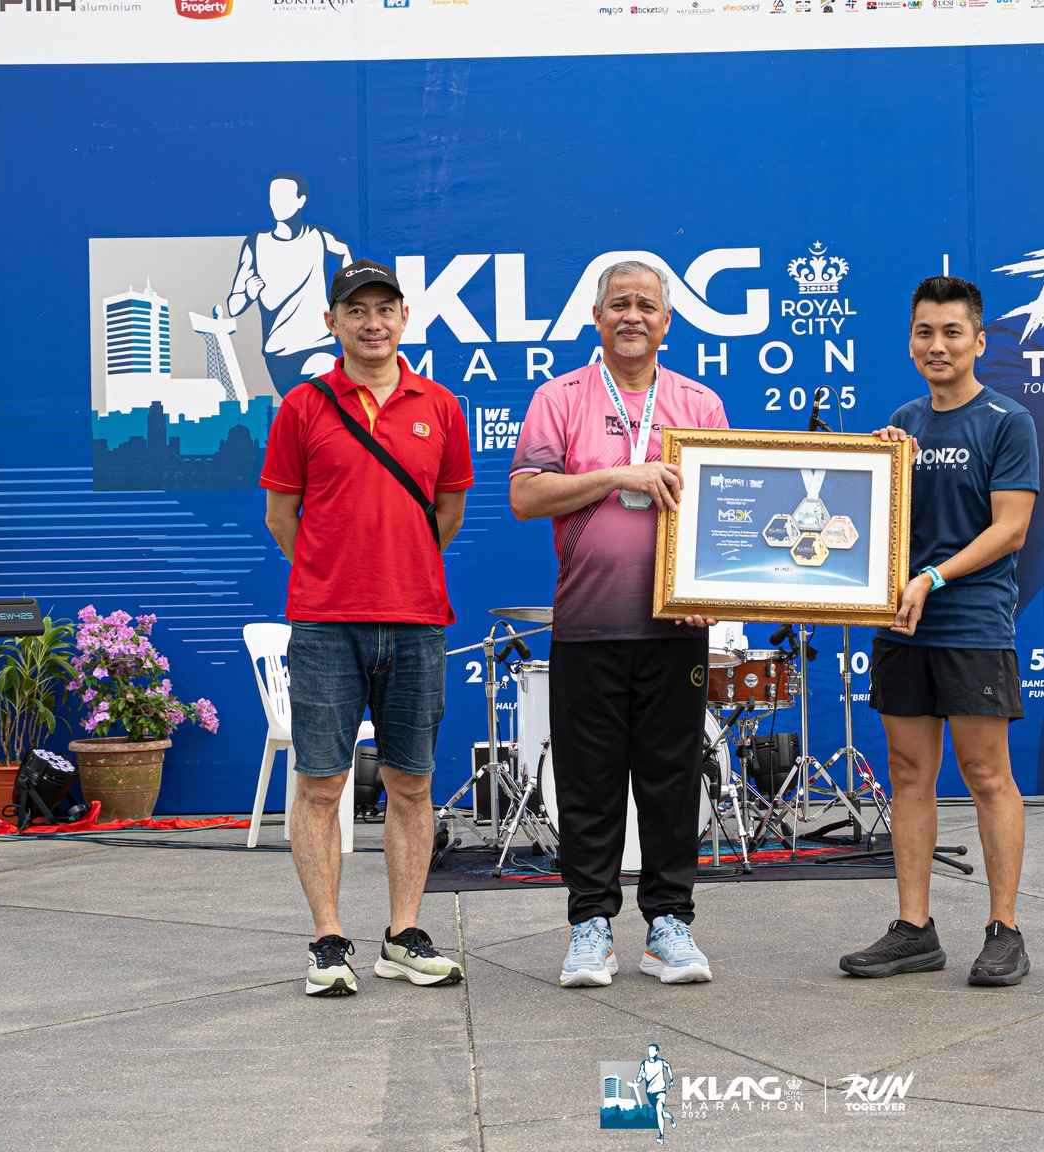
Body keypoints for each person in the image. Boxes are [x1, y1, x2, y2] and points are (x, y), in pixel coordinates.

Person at [509, 260, 727, 988]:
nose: (633, 315)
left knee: (672, 783)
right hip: (588, 624)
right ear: (597, 318)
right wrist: (617, 475)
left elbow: (724, 512)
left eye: (647, 305)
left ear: (667, 322)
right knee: (588, 784)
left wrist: (712, 586)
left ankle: (669, 926)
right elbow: (526, 497)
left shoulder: (699, 403)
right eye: (620, 304)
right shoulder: (559, 397)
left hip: (676, 629)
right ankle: (590, 927)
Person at [261, 259, 473, 997]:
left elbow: (448, 512)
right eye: (356, 311)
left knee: (412, 784)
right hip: (326, 625)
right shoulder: (302, 407)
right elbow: (281, 518)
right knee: (321, 785)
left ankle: (402, 935)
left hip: (416, 621)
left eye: (385, 309)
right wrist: (338, 571)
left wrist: (395, 564)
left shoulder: (439, 406)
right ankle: (327, 940)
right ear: (333, 323)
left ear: (405, 318)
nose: (372, 323)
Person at [838, 275, 1039, 988]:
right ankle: (914, 928)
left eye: (953, 332)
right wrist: (878, 468)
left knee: (986, 774)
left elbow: (1010, 529)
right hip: (901, 624)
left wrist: (932, 578)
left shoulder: (1008, 421)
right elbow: (876, 526)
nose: (938, 344)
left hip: (972, 621)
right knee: (907, 772)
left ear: (979, 341)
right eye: (925, 331)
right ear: (910, 341)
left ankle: (1004, 929)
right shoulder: (903, 422)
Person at [228, 171, 353, 394]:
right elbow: (233, 307)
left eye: (284, 197)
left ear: (300, 201)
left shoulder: (319, 237)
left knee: (324, 391)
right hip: (278, 355)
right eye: (273, 197)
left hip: (318, 344)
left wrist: (345, 296)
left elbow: (344, 253)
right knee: (301, 409)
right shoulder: (255, 244)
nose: (277, 203)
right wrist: (248, 294)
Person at [633, 1043, 676, 1146]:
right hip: (650, 1093)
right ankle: (671, 1117)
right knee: (660, 1113)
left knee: (659, 1111)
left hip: (661, 1091)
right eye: (649, 1050)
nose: (650, 1052)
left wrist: (671, 1080)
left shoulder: (661, 1062)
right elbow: (640, 1076)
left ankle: (661, 1136)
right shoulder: (644, 1063)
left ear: (657, 1052)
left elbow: (668, 1067)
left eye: (652, 1050)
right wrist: (637, 1081)